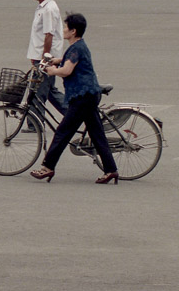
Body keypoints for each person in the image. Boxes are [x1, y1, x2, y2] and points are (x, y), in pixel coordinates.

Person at [29, 12, 119, 184]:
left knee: (63, 132)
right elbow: (67, 61)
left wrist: (52, 70)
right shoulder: (78, 46)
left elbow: (66, 70)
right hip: (88, 95)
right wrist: (55, 60)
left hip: (82, 97)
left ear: (73, 31)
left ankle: (47, 167)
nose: (63, 30)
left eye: (66, 27)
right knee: (97, 134)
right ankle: (111, 170)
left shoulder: (76, 48)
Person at [27, 0, 66, 114]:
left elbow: (49, 35)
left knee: (38, 91)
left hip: (46, 58)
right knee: (49, 91)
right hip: (41, 56)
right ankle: (72, 114)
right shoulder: (43, 7)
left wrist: (44, 59)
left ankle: (34, 123)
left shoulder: (49, 9)